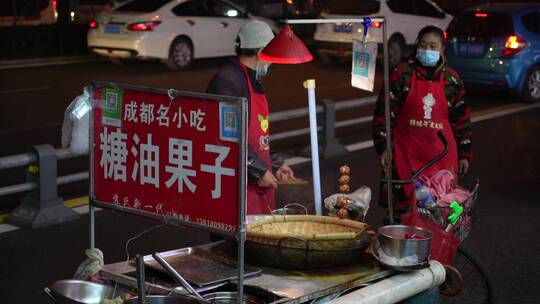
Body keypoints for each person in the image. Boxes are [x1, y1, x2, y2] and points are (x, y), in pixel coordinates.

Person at [372, 25, 472, 222]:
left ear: (442, 49)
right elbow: (384, 113)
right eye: (423, 45)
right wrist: (384, 147)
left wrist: (464, 154)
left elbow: (462, 119)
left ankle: (435, 251)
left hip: (441, 158)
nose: (428, 50)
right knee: (401, 213)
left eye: (433, 46)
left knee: (440, 213)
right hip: (404, 154)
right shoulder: (401, 74)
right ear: (417, 45)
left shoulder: (452, 80)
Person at [207, 20, 294, 215]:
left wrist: (275, 162)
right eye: (270, 54)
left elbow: (256, 137)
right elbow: (228, 139)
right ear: (261, 51)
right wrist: (259, 170)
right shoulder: (228, 82)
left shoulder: (251, 78)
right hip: (237, 188)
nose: (272, 61)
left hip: (256, 184)